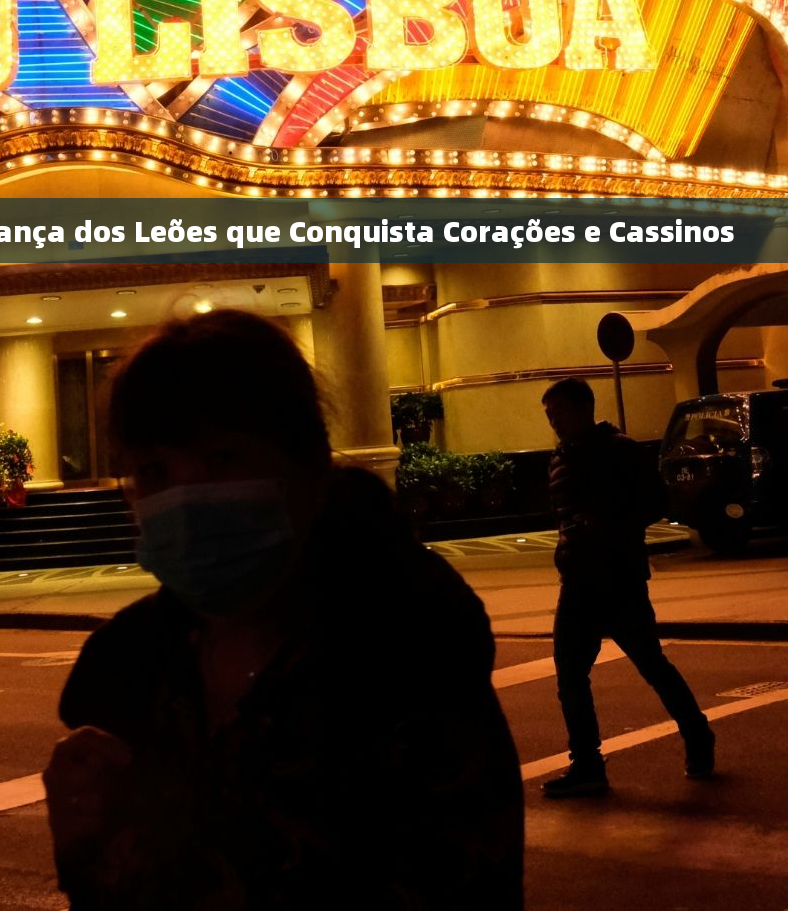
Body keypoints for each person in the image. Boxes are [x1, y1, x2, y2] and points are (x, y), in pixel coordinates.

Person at [45, 311, 524, 909]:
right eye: (154, 471)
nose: (187, 497)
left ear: (309, 468)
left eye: (222, 458)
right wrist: (85, 838)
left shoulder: (407, 661)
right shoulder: (132, 674)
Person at [539, 377, 713, 798]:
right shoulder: (562, 456)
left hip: (618, 578)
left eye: (558, 412)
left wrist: (605, 524)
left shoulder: (619, 450)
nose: (554, 421)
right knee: (570, 676)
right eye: (549, 415)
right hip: (577, 580)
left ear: (583, 409)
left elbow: (654, 501)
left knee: (651, 664)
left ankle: (698, 736)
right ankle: (587, 764)